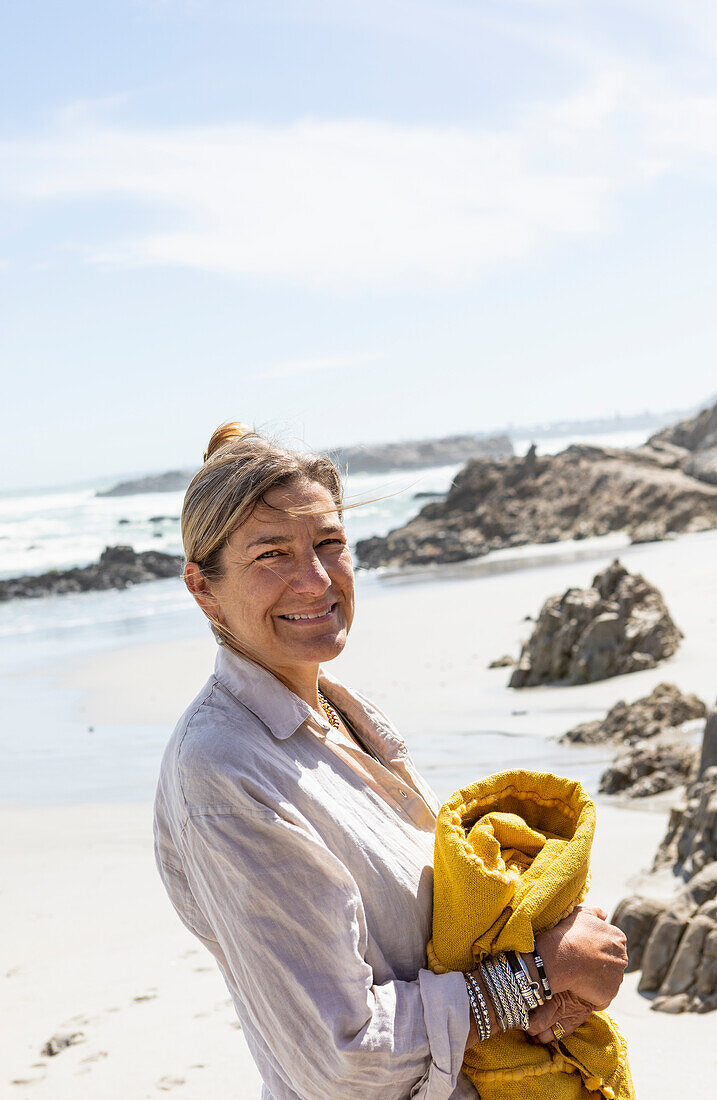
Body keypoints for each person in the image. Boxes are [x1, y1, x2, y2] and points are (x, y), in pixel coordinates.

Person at [153, 422, 628, 1100]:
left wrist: (556, 938)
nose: (314, 580)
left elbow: (438, 934)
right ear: (203, 590)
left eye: (329, 544)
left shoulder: (346, 714)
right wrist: (539, 976)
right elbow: (341, 1057)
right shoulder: (224, 772)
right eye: (270, 556)